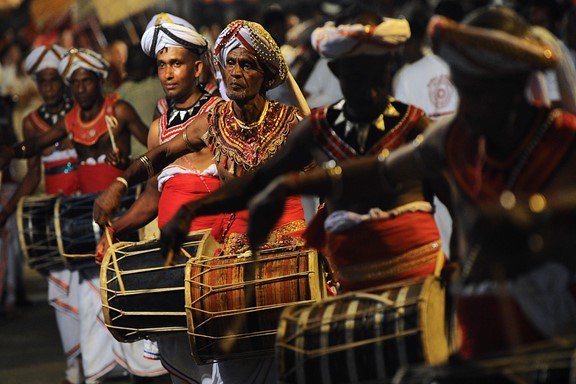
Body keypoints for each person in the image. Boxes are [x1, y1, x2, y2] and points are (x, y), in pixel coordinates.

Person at [247, 6, 576, 365]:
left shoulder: (565, 140)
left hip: (556, 349)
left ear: (513, 85)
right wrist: (291, 184)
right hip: (482, 342)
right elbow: (381, 170)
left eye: (475, 93)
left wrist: (542, 212)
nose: (463, 105)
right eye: (460, 91)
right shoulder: (457, 137)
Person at [140, 7, 447, 294]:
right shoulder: (319, 128)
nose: (368, 86)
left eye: (374, 72)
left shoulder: (415, 124)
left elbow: (454, 193)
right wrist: (191, 210)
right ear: (338, 72)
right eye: (356, 74)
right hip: (356, 279)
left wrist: (460, 254)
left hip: (418, 270)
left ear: (388, 68)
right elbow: (259, 181)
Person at [94, 19, 309, 383]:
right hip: (232, 253)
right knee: (230, 360)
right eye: (230, 64)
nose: (237, 73)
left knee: (289, 358)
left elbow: (328, 181)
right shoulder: (216, 120)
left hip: (289, 253)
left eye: (247, 64)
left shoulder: (291, 122)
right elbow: (160, 155)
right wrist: (120, 181)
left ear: (266, 73)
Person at [0, 47, 166, 383]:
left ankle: (139, 364)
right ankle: (99, 369)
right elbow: (40, 143)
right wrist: (12, 152)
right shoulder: (71, 119)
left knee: (123, 287)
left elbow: (152, 152)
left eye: (86, 82)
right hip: (86, 216)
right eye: (74, 83)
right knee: (93, 300)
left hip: (123, 213)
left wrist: (128, 170)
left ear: (99, 80)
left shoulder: (117, 108)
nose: (79, 89)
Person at [96, 16, 223, 384]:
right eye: (162, 65)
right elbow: (153, 197)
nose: (168, 73)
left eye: (177, 63)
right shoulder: (159, 124)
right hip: (172, 266)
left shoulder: (219, 115)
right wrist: (115, 231)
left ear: (197, 67)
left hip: (212, 262)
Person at [2, 43, 82, 384]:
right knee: (60, 288)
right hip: (52, 212)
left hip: (83, 206)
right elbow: (33, 173)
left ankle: (98, 362)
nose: (49, 88)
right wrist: (7, 208)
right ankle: (75, 364)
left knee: (90, 286)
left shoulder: (79, 110)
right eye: (43, 81)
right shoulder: (31, 122)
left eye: (53, 81)